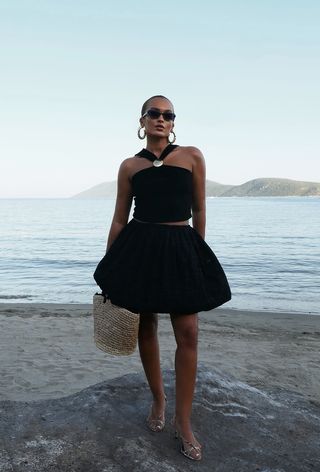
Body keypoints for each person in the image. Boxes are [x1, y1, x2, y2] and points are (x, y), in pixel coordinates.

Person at [93, 95, 231, 461]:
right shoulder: (129, 166)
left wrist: (198, 254)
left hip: (180, 245)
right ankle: (158, 400)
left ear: (173, 123)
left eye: (168, 115)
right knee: (145, 327)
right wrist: (111, 265)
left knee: (189, 333)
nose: (161, 119)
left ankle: (183, 422)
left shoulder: (191, 156)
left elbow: (200, 208)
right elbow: (120, 218)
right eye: (154, 113)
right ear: (142, 120)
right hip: (141, 248)